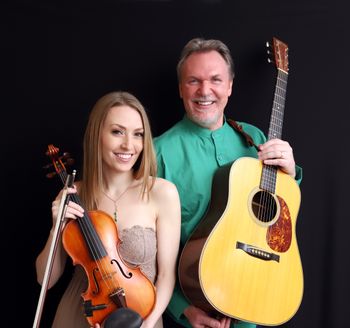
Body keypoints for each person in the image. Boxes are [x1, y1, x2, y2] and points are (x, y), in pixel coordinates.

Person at [153, 38, 302, 328]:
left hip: (258, 298)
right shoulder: (156, 154)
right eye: (193, 80)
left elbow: (280, 221)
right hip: (197, 304)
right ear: (181, 88)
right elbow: (143, 248)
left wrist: (290, 170)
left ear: (230, 86)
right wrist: (183, 310)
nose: (204, 90)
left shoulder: (256, 140)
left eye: (215, 80)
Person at [35, 91, 181, 328]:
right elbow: (45, 280)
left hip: (143, 319)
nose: (128, 145)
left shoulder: (162, 193)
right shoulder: (73, 194)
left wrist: (149, 323)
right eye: (117, 132)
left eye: (138, 134)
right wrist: (56, 229)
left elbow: (166, 276)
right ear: (97, 136)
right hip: (79, 315)